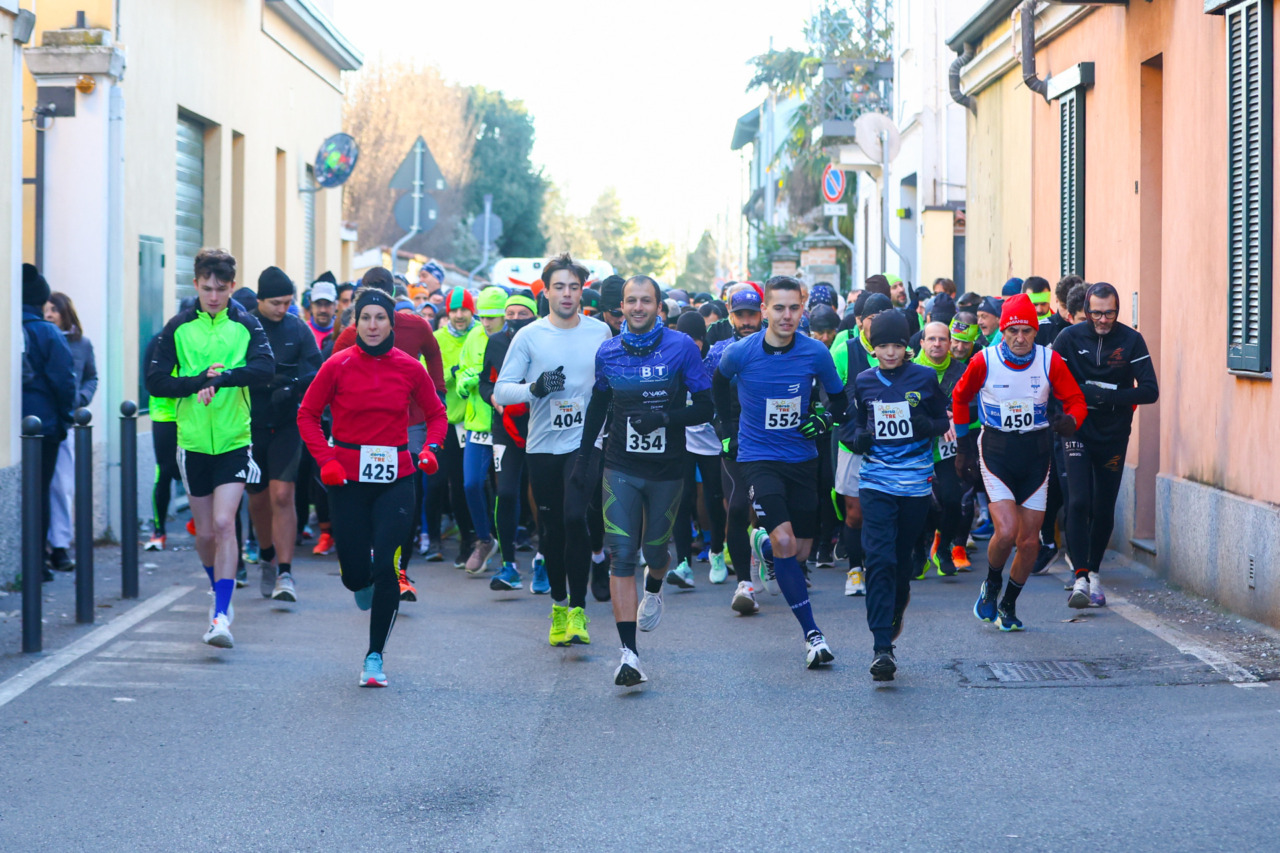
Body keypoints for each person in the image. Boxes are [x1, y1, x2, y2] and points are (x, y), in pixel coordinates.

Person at [298, 287, 447, 686]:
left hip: (396, 476)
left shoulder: (408, 367)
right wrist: (326, 460)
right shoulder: (338, 365)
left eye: (380, 317)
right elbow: (308, 415)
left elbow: (436, 414)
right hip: (345, 477)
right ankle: (357, 580)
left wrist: (431, 449)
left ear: (391, 322)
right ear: (356, 322)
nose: (373, 325)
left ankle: (374, 657)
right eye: (366, 318)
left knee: (386, 566)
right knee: (354, 575)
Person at [579, 275, 712, 686]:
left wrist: (666, 418)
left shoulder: (681, 348)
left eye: (646, 301)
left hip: (667, 469)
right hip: (619, 465)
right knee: (622, 553)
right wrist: (584, 457)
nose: (637, 308)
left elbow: (705, 407)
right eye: (630, 301)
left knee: (656, 552)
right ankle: (629, 655)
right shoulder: (608, 352)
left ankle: (654, 587)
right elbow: (599, 404)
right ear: (621, 306)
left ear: (659, 306)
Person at [713, 275, 847, 668]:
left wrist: (823, 420)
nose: (786, 316)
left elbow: (838, 400)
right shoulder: (741, 352)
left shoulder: (815, 353)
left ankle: (763, 545)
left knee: (799, 550)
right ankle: (812, 634)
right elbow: (718, 384)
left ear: (802, 309)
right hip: (758, 458)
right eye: (778, 308)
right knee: (788, 543)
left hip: (803, 459)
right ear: (765, 311)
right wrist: (728, 430)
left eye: (794, 308)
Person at [146, 249, 274, 648]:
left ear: (232, 286)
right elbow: (155, 381)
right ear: (196, 285)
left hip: (236, 440)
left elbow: (265, 370)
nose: (214, 296)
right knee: (204, 533)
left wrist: (224, 379)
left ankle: (220, 614)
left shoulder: (247, 323)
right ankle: (218, 588)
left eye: (221, 289)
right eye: (206, 288)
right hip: (193, 442)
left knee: (223, 524)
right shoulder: (178, 327)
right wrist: (197, 380)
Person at [493, 254, 612, 646]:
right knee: (552, 528)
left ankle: (578, 611)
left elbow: (608, 386)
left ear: (582, 292)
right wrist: (534, 388)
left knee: (576, 517)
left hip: (584, 443)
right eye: (559, 287)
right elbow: (501, 390)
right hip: (542, 445)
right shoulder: (529, 335)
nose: (566, 294)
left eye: (573, 287)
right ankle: (559, 606)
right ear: (545, 292)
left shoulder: (599, 332)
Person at [951, 294, 1086, 632]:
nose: (1021, 338)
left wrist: (1071, 421)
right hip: (996, 451)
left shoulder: (1049, 360)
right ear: (1004, 331)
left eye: (1027, 331)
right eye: (1014, 331)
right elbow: (960, 396)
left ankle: (1009, 603)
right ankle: (992, 584)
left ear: (1035, 331)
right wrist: (964, 446)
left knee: (1029, 542)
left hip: (1037, 454)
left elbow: (1075, 400)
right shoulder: (985, 360)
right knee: (1008, 531)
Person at [844, 311, 951, 680]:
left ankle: (895, 609)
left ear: (908, 347)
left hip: (915, 484)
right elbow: (854, 424)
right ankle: (881, 648)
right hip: (875, 482)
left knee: (902, 564)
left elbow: (943, 420)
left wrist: (927, 426)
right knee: (880, 560)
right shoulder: (863, 381)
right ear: (872, 349)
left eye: (897, 345)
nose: (890, 352)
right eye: (883, 346)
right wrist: (857, 438)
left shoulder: (923, 376)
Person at [332, 268, 446, 599]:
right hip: (361, 434)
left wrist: (433, 400)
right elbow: (330, 383)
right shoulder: (349, 334)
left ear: (394, 300)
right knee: (363, 499)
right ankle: (361, 558)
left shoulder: (418, 325)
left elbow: (434, 361)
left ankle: (399, 572)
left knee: (406, 498)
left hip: (407, 428)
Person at [1053, 282, 1159, 608]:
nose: (1102, 319)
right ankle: (1080, 577)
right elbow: (1050, 381)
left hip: (1113, 434)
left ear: (1117, 311)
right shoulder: (1068, 339)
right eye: (1096, 313)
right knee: (1079, 501)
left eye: (1109, 313)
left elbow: (1150, 391)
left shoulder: (1131, 340)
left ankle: (1095, 573)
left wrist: (1106, 397)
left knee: (1102, 506)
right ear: (1085, 310)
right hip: (1078, 432)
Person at [246, 267, 321, 601]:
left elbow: (317, 370)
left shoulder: (297, 327)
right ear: (260, 299)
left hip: (287, 424)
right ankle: (266, 556)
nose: (282, 309)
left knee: (282, 495)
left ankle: (286, 572)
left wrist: (291, 386)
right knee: (259, 499)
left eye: (288, 302)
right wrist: (262, 382)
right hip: (248, 426)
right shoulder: (243, 325)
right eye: (275, 303)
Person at [829, 292, 894, 596]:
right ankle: (855, 569)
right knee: (854, 513)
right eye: (872, 318)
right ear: (860, 321)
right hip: (852, 444)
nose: (878, 323)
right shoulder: (845, 351)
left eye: (884, 316)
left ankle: (879, 567)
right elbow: (829, 396)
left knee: (885, 510)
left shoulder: (899, 353)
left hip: (892, 445)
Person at [479, 292, 542, 592]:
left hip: (540, 426)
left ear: (534, 315)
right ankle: (509, 567)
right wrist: (492, 396)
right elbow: (484, 380)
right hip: (504, 427)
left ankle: (544, 559)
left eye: (522, 313)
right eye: (510, 313)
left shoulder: (543, 339)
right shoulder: (496, 342)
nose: (515, 319)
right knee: (505, 493)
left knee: (542, 495)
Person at [704, 284, 763, 601]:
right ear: (731, 315)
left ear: (761, 313)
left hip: (773, 434)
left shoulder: (779, 345)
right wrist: (723, 430)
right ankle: (744, 583)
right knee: (739, 505)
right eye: (740, 315)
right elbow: (708, 396)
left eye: (752, 314)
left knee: (768, 507)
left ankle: (768, 555)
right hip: (735, 434)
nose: (747, 321)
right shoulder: (719, 351)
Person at [22, 265, 76, 581]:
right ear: (42, 301)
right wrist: (66, 417)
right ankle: (37, 562)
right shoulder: (49, 333)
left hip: (21, 422)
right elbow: (63, 381)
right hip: (45, 425)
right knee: (40, 492)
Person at [454, 287, 510, 575]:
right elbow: (463, 368)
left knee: (506, 490)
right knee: (471, 484)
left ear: (504, 316)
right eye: (483, 316)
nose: (486, 323)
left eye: (492, 317)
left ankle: (510, 551)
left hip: (507, 423)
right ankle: (484, 539)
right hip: (477, 423)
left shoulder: (514, 339)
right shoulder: (474, 335)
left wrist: (480, 378)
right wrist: (465, 380)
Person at [43, 291, 98, 572]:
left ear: (66, 312)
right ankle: (42, 546)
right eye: (46, 310)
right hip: (39, 423)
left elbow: (91, 377)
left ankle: (60, 546)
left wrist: (80, 400)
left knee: (62, 486)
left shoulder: (82, 344)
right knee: (41, 486)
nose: (49, 314)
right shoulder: (39, 338)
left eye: (54, 310)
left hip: (66, 423)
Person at [671, 311, 727, 584]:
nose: (690, 349)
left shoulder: (715, 362)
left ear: (703, 342)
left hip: (712, 443)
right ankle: (683, 563)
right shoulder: (672, 361)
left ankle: (717, 551)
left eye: (695, 343)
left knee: (714, 499)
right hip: (683, 440)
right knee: (682, 499)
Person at [433, 287, 480, 570]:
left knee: (474, 484)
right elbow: (426, 374)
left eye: (464, 309)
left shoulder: (480, 334)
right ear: (447, 312)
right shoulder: (437, 338)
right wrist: (453, 374)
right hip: (449, 423)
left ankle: (483, 538)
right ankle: (466, 540)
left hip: (477, 421)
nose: (460, 315)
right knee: (454, 485)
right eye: (454, 310)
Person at [144, 326, 185, 552]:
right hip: (165, 415)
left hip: (193, 412)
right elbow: (149, 380)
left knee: (196, 469)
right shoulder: (159, 341)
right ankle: (158, 531)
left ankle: (200, 524)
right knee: (165, 470)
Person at [307, 274, 338, 348]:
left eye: (327, 304)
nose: (323, 310)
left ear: (335, 305)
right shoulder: (302, 331)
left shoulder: (341, 332)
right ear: (311, 305)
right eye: (318, 304)